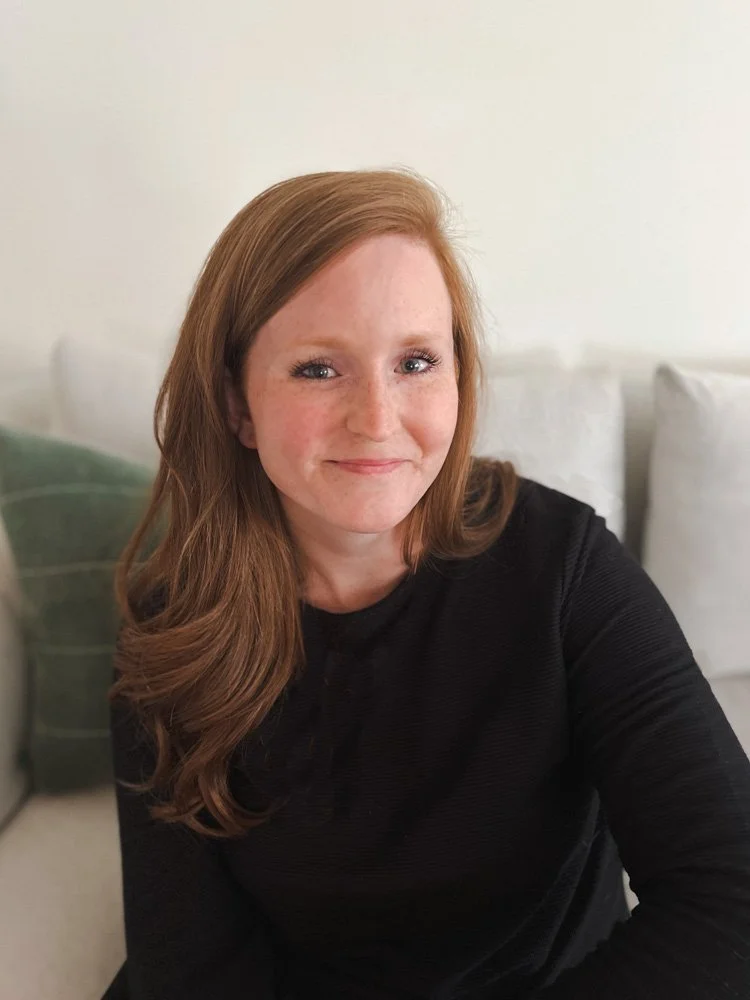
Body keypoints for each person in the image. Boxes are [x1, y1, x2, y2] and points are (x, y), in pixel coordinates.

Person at [103, 167, 750, 1000]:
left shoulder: (564, 565)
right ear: (237, 405)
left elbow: (730, 897)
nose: (378, 418)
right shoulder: (170, 625)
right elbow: (190, 969)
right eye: (317, 369)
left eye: (414, 361)